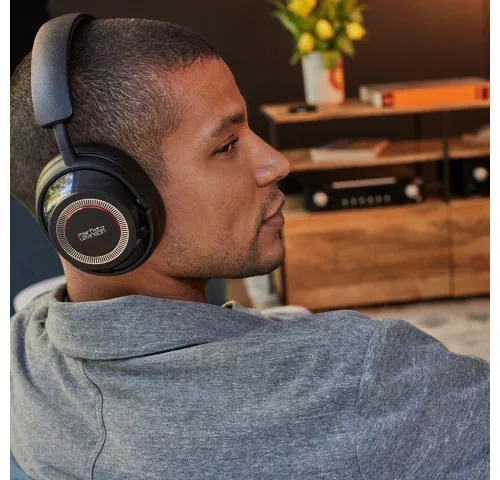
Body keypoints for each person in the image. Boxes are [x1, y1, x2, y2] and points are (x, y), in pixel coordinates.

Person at [10, 15, 489, 480]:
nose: (276, 163)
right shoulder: (362, 377)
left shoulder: (21, 357)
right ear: (102, 206)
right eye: (226, 145)